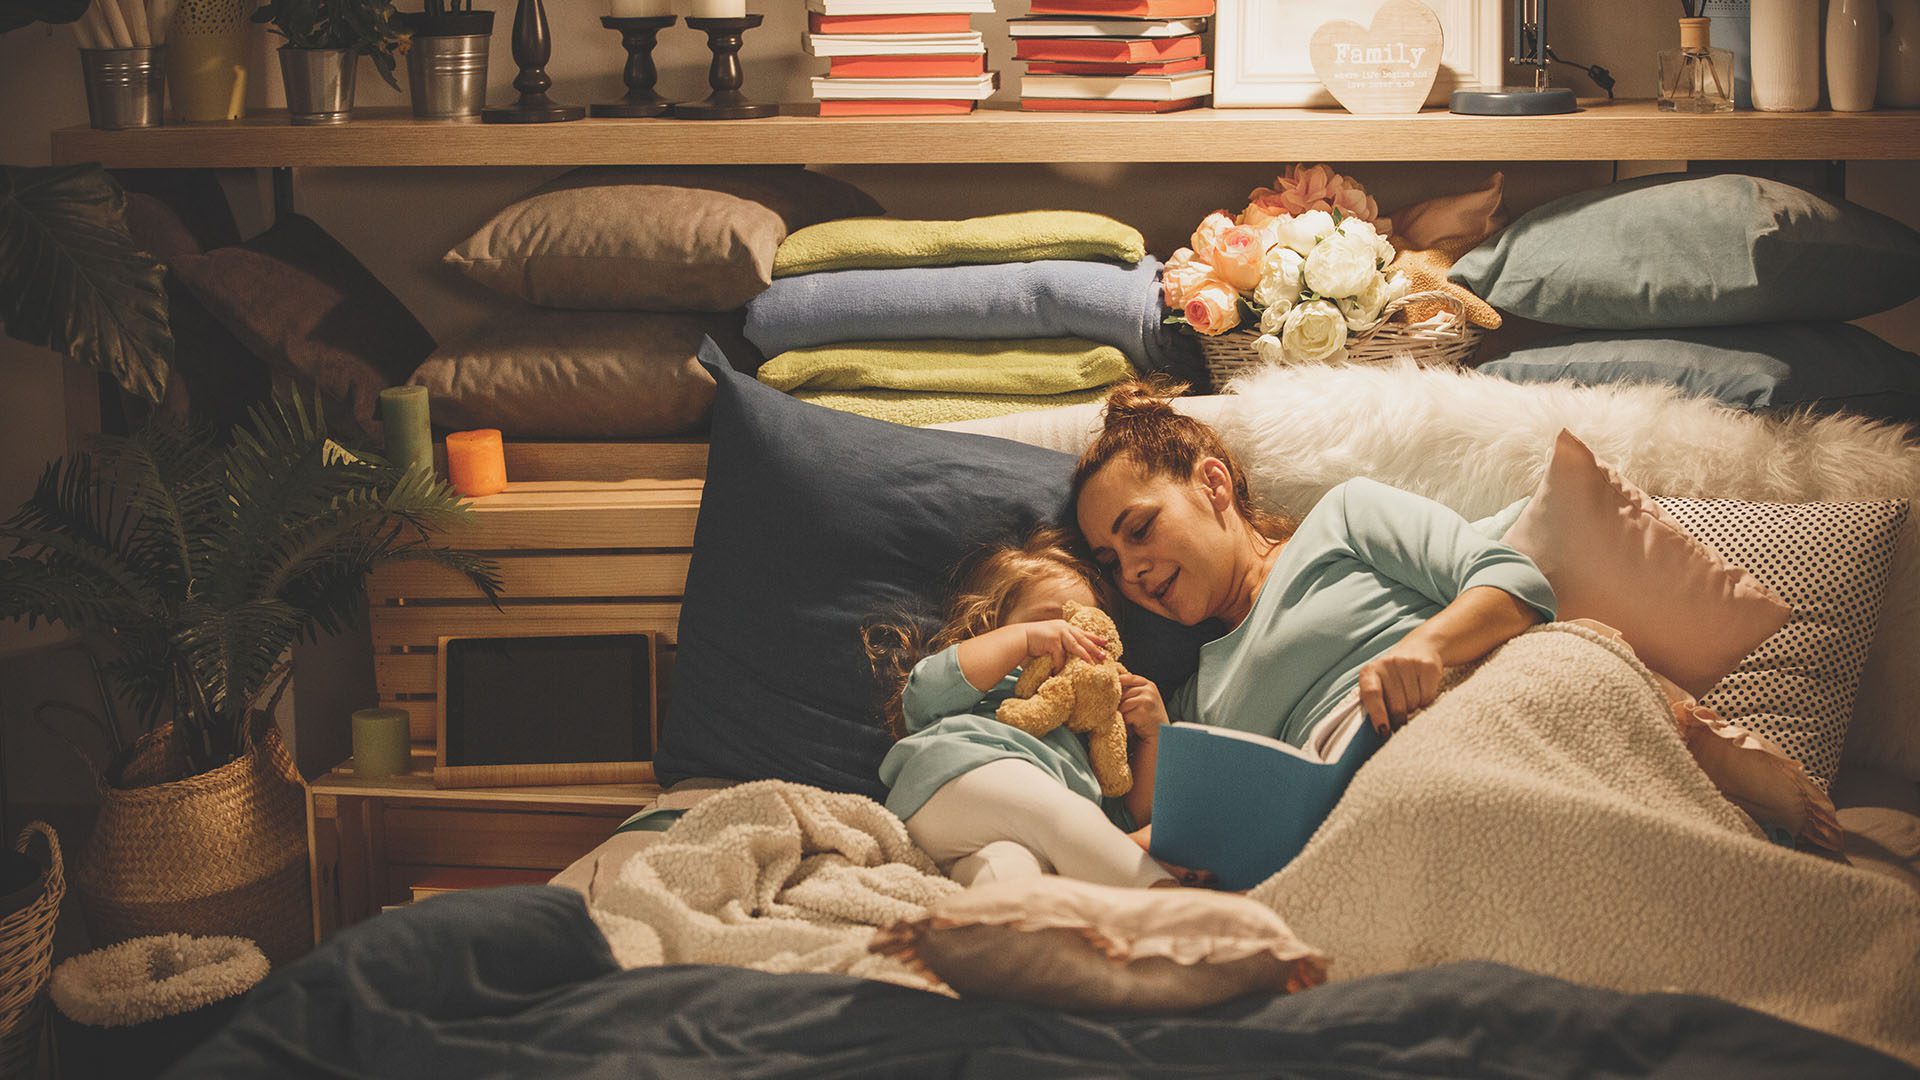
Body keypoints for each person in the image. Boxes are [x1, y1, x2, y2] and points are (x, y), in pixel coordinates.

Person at [1071, 380, 1559, 753]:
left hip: (1480, 713)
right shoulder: (1193, 704)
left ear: (1212, 485)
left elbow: (1516, 581)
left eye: (1139, 530)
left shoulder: (1344, 519)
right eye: (1111, 562)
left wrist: (1429, 645)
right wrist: (1160, 738)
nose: (1131, 571)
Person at [865, 526, 1182, 888]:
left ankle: (985, 925)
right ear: (989, 627)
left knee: (1009, 870)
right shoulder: (991, 680)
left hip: (972, 841)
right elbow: (923, 693)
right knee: (1064, 817)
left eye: (1084, 628)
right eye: (1049, 621)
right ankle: (1176, 904)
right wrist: (1023, 640)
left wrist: (1155, 736)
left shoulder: (1089, 723)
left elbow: (1125, 821)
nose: (1069, 637)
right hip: (952, 783)